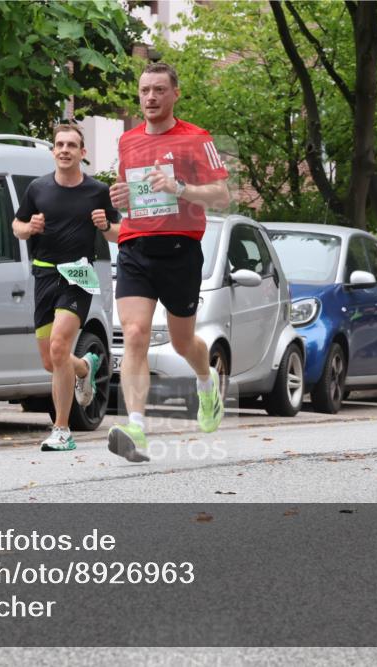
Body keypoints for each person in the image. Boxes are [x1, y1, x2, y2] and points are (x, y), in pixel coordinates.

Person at [107, 62, 231, 463]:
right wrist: (122, 199)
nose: (150, 98)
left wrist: (180, 188)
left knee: (182, 343)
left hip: (179, 251)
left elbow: (222, 196)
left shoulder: (197, 139)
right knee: (136, 332)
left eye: (159, 90)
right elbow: (133, 193)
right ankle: (137, 427)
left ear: (175, 93)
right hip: (135, 247)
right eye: (144, 91)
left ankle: (205, 378)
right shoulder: (127, 142)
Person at [13, 124, 121, 451]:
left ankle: (62, 430)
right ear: (53, 151)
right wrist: (28, 227)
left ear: (82, 153)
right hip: (44, 275)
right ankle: (85, 366)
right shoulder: (37, 188)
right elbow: (16, 226)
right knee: (51, 361)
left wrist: (105, 226)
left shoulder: (97, 191)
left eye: (71, 145)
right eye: (59, 144)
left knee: (60, 347)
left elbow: (118, 233)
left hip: (77, 277)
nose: (64, 150)